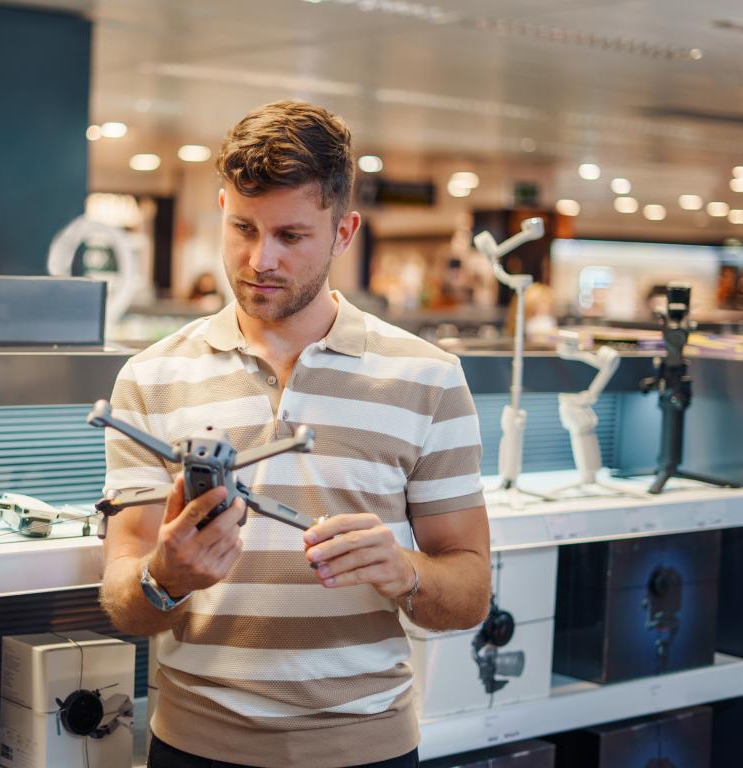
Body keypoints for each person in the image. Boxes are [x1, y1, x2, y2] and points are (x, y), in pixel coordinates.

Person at [98, 100, 490, 768]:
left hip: (368, 745)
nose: (260, 259)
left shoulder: (429, 378)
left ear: (343, 232)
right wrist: (167, 576)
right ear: (221, 207)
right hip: (194, 745)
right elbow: (123, 601)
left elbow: (469, 593)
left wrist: (406, 573)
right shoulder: (150, 376)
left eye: (290, 235)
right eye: (241, 228)